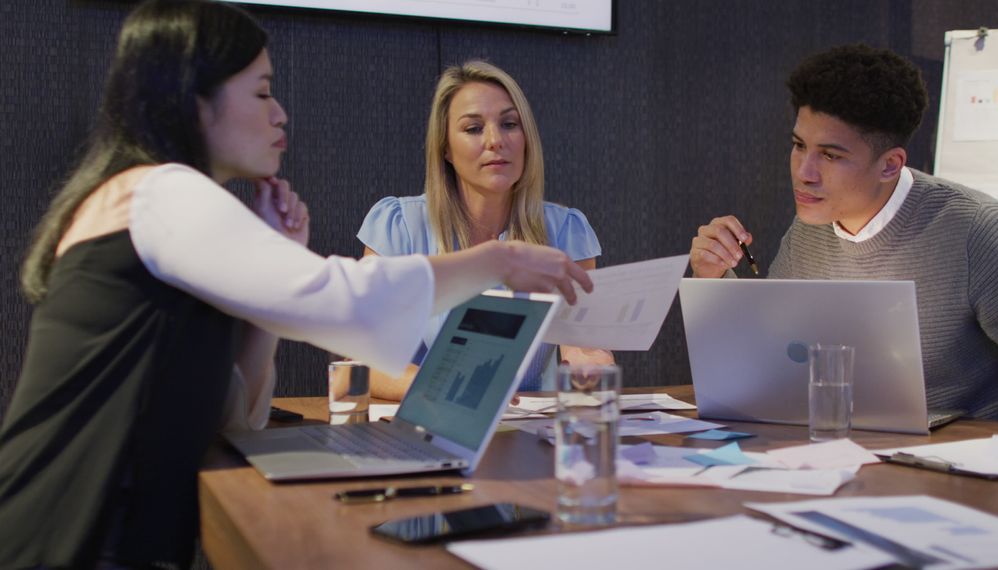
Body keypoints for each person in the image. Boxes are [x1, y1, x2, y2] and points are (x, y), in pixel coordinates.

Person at [0, 2, 591, 568]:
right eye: (260, 92)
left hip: (108, 534)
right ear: (192, 99)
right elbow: (344, 303)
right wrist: (497, 261)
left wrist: (272, 276)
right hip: (67, 531)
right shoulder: (161, 191)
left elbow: (235, 418)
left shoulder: (159, 199)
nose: (280, 113)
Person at [690, 43, 998, 453]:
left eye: (830, 155)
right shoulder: (811, 226)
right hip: (841, 456)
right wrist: (715, 280)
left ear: (891, 164)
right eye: (799, 145)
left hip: (964, 466)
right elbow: (772, 361)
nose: (804, 173)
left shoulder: (981, 231)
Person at [357, 60, 613, 400]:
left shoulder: (565, 230)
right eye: (473, 128)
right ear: (445, 148)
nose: (495, 141)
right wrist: (452, 390)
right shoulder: (399, 225)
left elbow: (584, 347)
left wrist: (591, 365)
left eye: (509, 124)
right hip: (431, 423)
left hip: (531, 429)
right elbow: (365, 364)